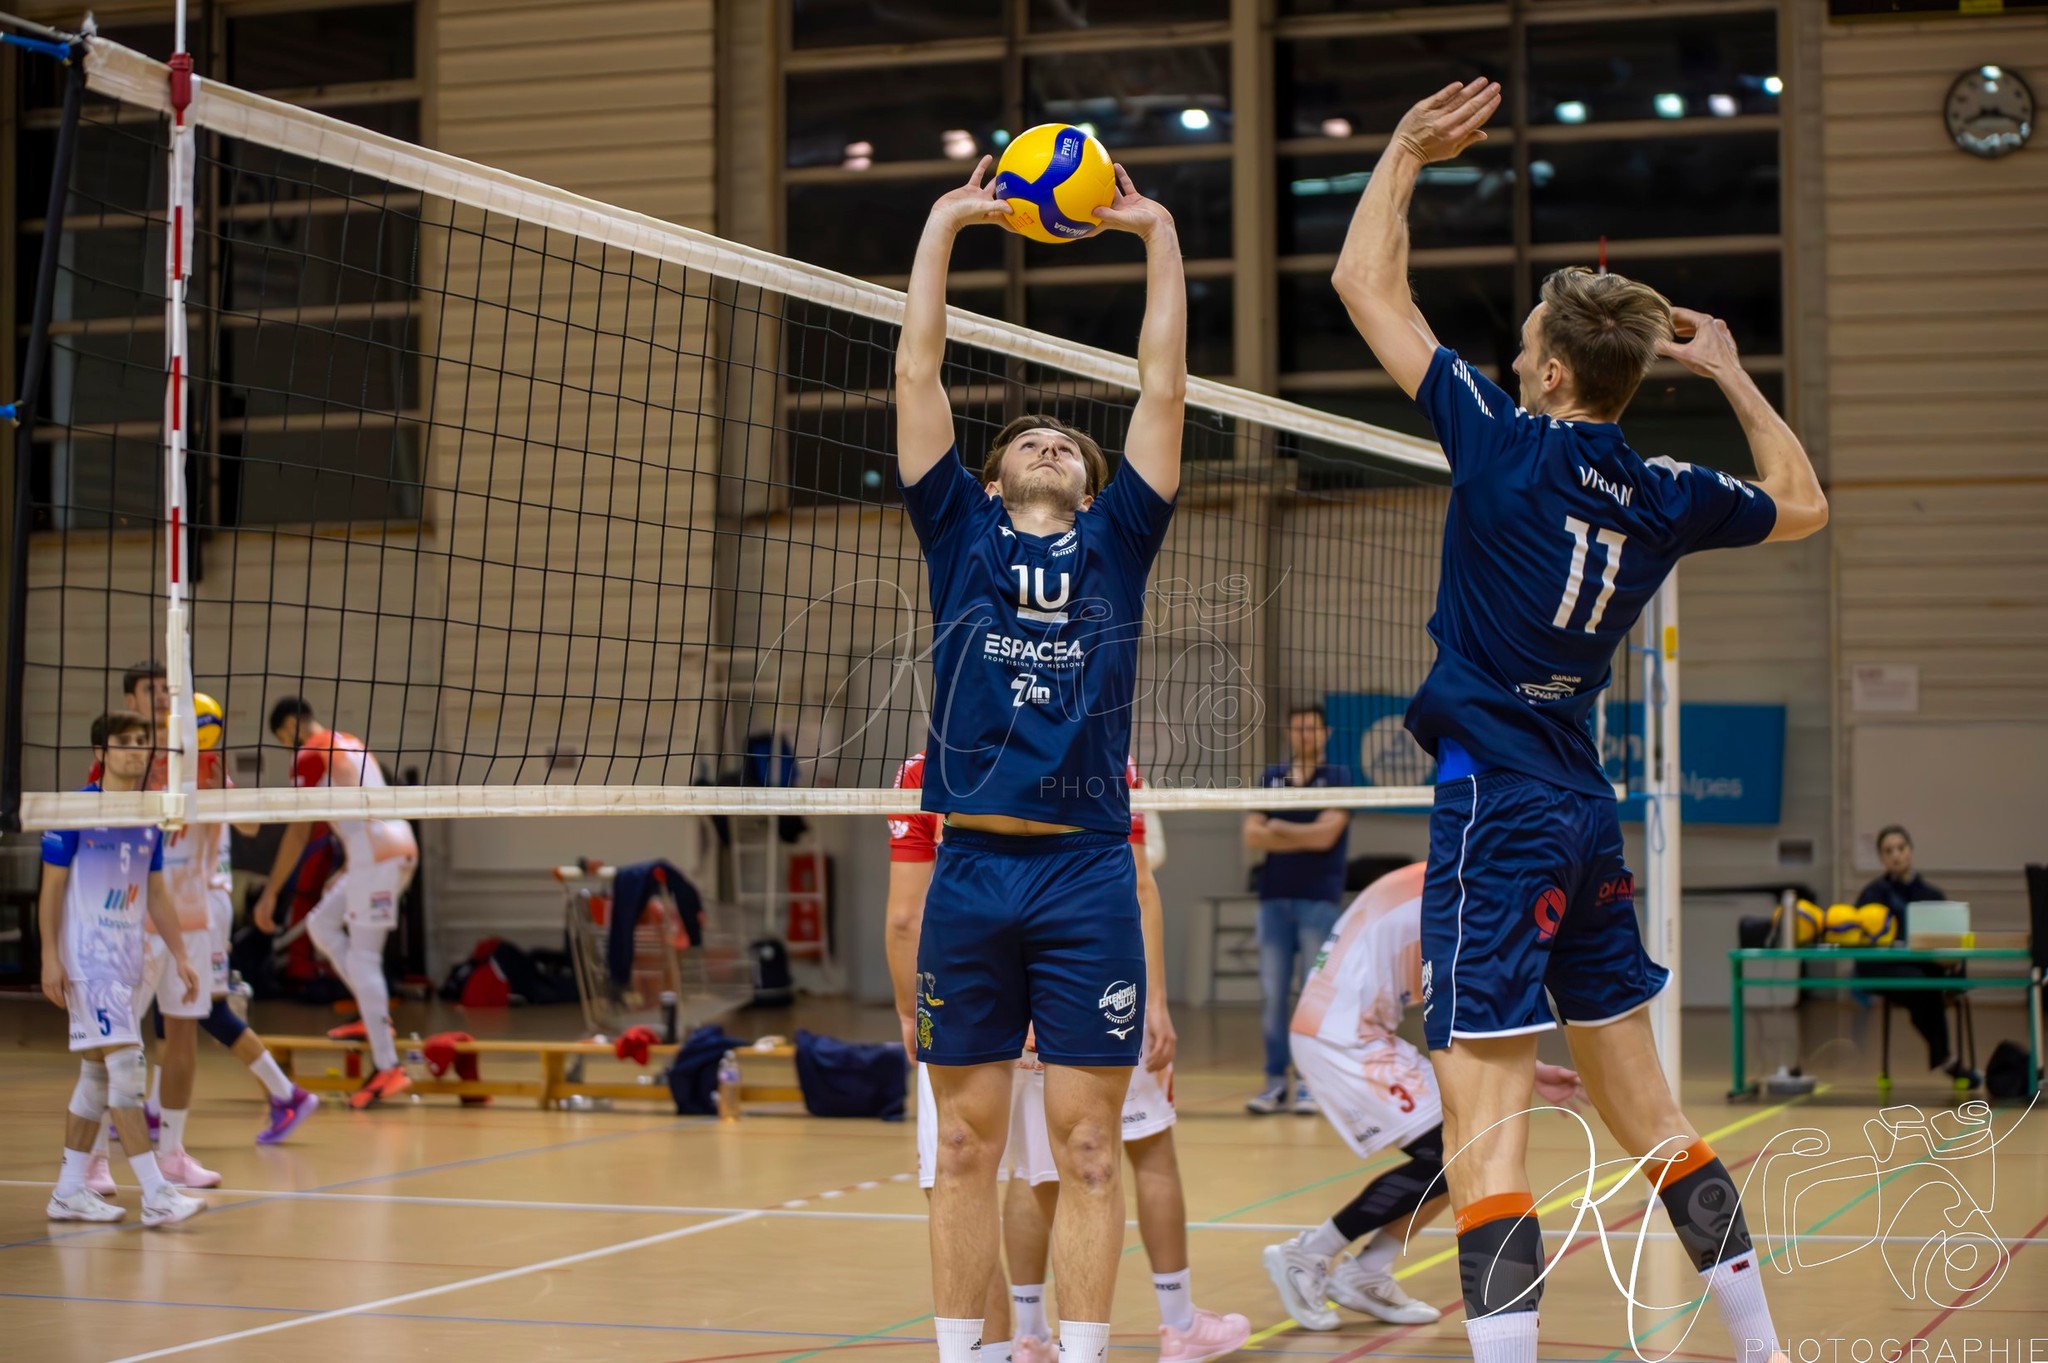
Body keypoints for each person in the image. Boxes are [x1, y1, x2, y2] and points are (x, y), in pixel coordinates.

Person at [1334, 80, 1827, 1362]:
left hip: (1494, 806)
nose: (1504, 359)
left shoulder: (1499, 441)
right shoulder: (1666, 490)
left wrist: (1398, 150)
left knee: (1484, 1127)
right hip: (1576, 807)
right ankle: (1764, 1351)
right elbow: (1805, 503)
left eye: (1522, 347)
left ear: (1552, 371)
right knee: (1653, 1118)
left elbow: (1364, 288)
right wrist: (1726, 370)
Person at [893, 149, 1185, 1363]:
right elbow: (918, 366)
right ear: (992, 471)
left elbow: (1161, 391)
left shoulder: (1120, 540)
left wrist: (1156, 233)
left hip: (1081, 876)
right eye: (1028, 436)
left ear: (1094, 480)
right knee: (961, 1146)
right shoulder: (952, 526)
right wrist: (944, 222)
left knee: (1083, 1150)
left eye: (1068, 437)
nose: (1050, 441)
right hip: (971, 872)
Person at [891, 752, 1250, 1362]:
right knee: (1087, 1160)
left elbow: (906, 915)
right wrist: (1155, 1002)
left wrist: (910, 1010)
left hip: (968, 968)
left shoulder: (929, 766)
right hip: (1086, 959)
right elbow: (1138, 887)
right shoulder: (1108, 756)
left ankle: (1017, 1340)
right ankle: (1171, 1322)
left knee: (975, 1167)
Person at [1262, 863, 1585, 1332]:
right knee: (1448, 1151)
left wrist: (1529, 1070)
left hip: (1361, 1031)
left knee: (1466, 1149)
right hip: (1341, 1039)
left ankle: (1368, 1271)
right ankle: (1308, 1253)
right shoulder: (1453, 895)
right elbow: (1454, 1010)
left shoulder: (1445, 877)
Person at [83, 667, 319, 1196]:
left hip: (193, 919)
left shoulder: (208, 765)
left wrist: (217, 788)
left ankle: (172, 1153)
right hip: (134, 918)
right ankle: (92, 1160)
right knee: (114, 1038)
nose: (164, 701)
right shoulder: (127, 764)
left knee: (185, 1030)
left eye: (171, 695)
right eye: (154, 694)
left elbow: (253, 827)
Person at [41, 711, 205, 1227]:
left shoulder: (150, 814)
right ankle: (156, 1194)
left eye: (142, 742)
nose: (137, 750)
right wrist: (50, 955)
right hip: (90, 962)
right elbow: (50, 889)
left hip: (127, 958)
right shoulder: (73, 810)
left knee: (94, 1073)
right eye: (125, 742)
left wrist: (179, 953)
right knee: (128, 1071)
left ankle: (69, 1191)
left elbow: (156, 891)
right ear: (101, 753)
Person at [254, 697, 419, 1109]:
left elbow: (297, 832)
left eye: (282, 738)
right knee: (320, 923)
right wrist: (348, 865)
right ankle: (372, 1012)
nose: (287, 747)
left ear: (292, 725)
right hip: (382, 852)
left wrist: (272, 892)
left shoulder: (310, 753)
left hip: (376, 860)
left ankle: (388, 1065)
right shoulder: (351, 742)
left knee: (364, 959)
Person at [1241, 704, 1351, 1115]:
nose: (1305, 734)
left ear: (1326, 732)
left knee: (1311, 996)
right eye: (1298, 728)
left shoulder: (1338, 777)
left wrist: (1280, 828)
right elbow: (1253, 835)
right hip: (1274, 900)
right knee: (1272, 997)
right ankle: (1274, 1084)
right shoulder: (1274, 777)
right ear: (1289, 732)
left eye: (1312, 728)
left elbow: (1327, 838)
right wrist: (1301, 833)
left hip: (1318, 900)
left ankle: (1309, 1083)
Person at [1856, 826, 1978, 1086]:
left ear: (1910, 851)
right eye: (1889, 851)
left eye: (1900, 848)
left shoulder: (1932, 895)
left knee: (1926, 983)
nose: (1896, 855)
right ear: (1881, 858)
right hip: (1882, 969)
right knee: (1923, 987)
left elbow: (1948, 939)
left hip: (1924, 967)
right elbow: (1861, 941)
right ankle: (1946, 1059)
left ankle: (1946, 1058)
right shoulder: (1871, 895)